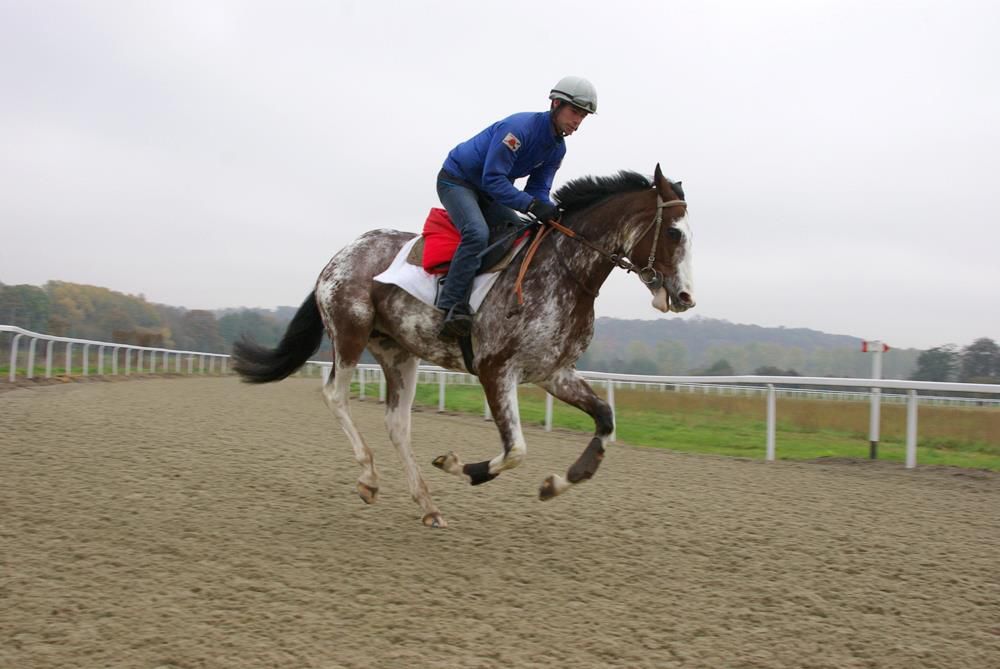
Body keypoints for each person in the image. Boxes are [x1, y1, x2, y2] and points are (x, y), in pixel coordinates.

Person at [435, 75, 598, 339]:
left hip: (490, 192)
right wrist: (531, 204)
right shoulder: (517, 130)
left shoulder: (557, 149)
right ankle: (451, 305)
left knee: (523, 232)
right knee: (477, 233)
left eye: (583, 116)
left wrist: (550, 211)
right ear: (556, 104)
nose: (578, 121)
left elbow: (538, 189)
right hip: (457, 182)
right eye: (575, 112)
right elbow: (493, 179)